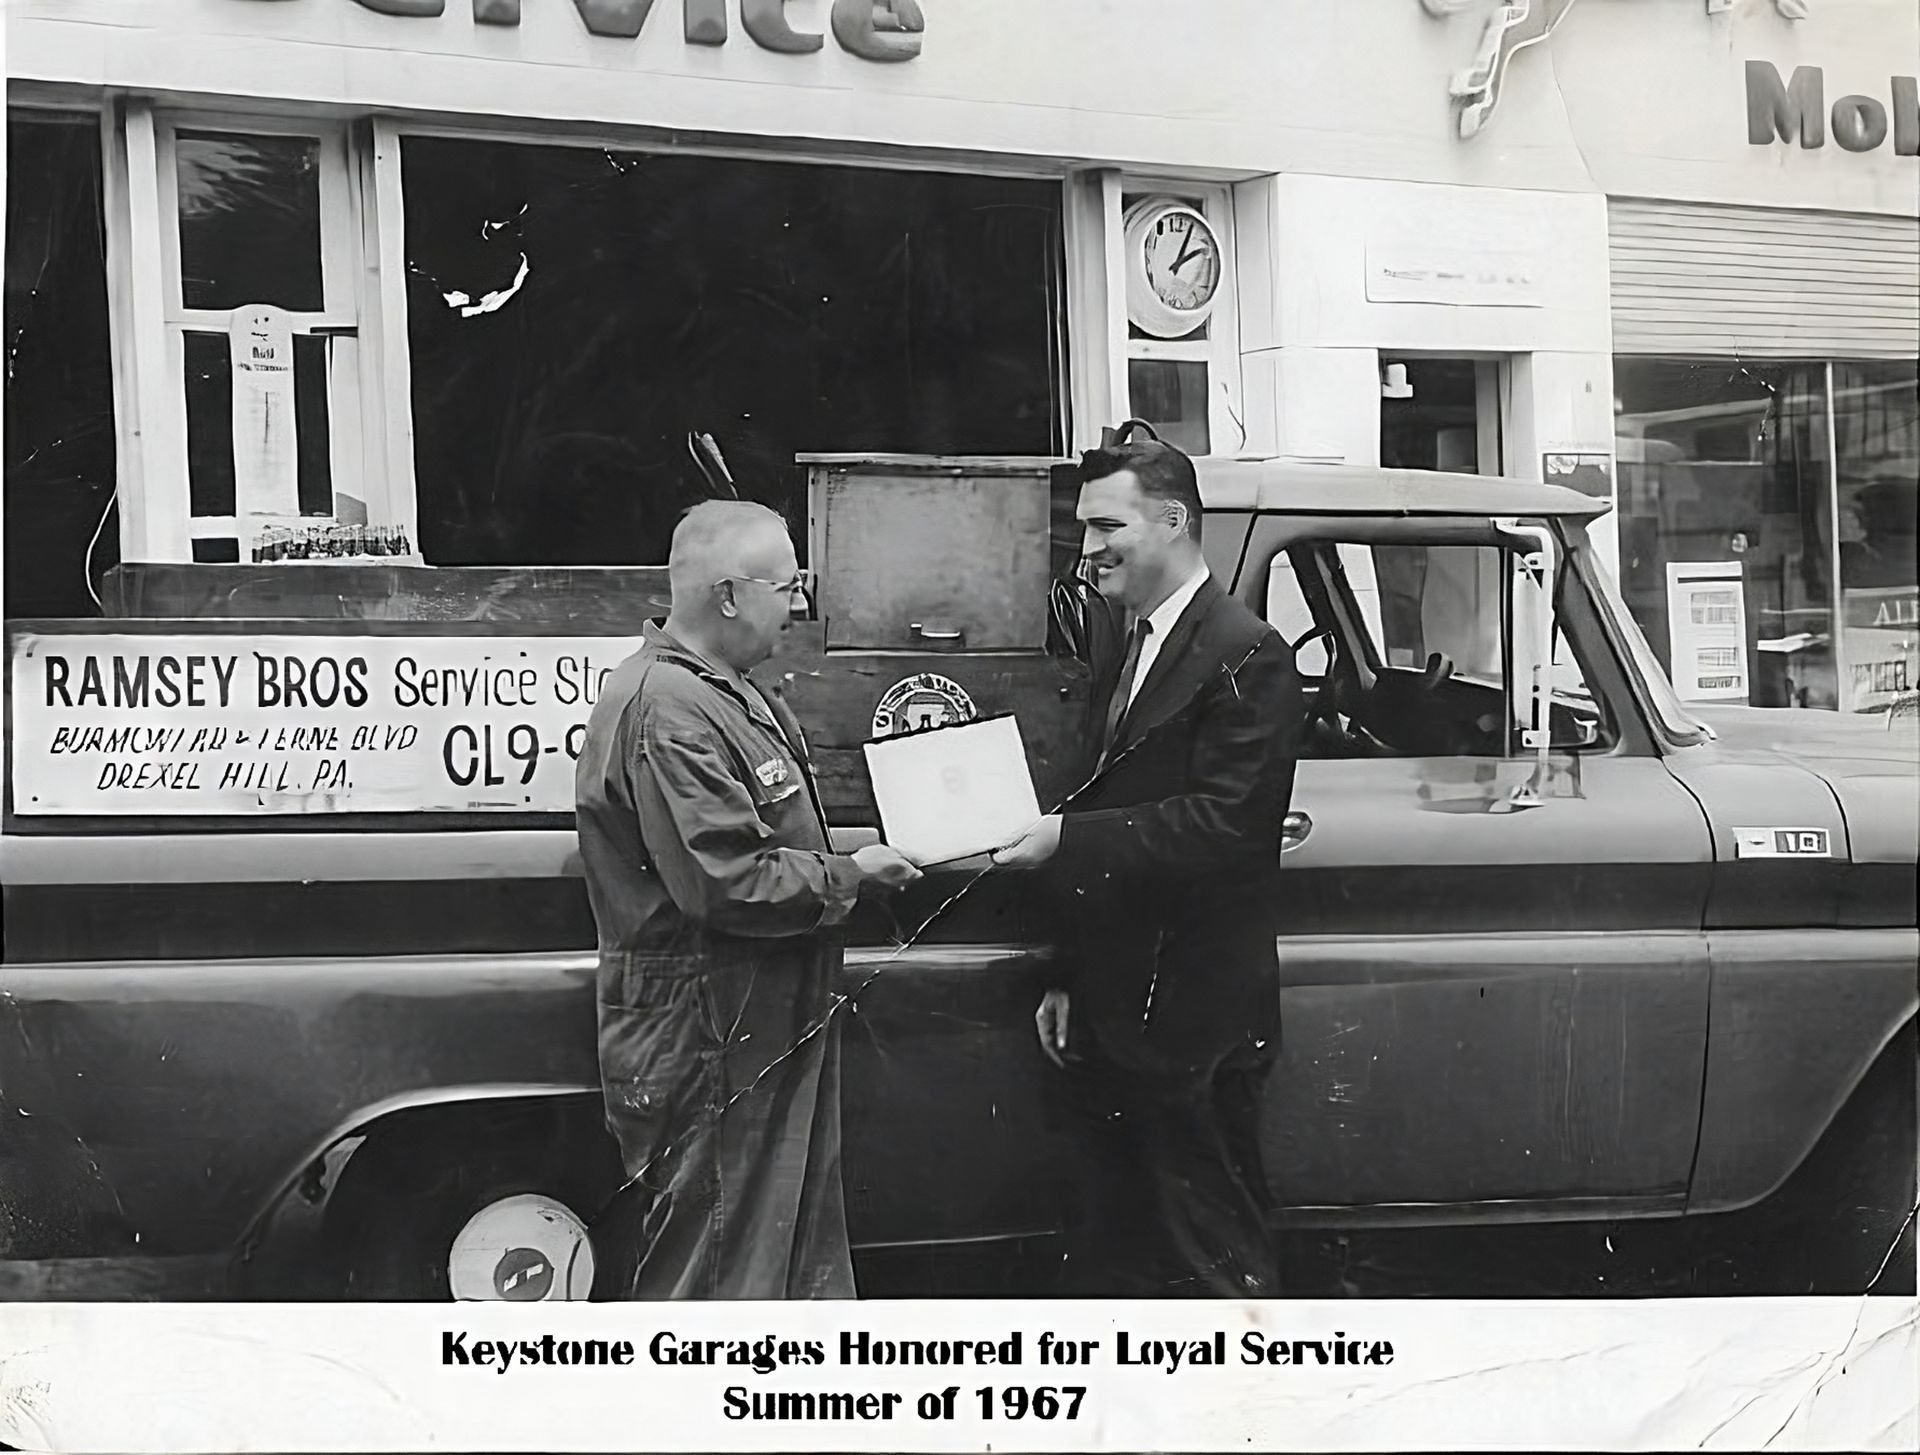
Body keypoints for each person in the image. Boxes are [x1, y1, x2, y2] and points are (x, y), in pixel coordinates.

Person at [575, 498, 921, 1299]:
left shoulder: (723, 691)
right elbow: (726, 881)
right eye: (787, 587)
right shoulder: (671, 708)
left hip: (752, 1020)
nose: (799, 607)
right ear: (729, 595)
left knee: (775, 1263)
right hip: (711, 1032)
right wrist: (851, 874)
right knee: (720, 1276)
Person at [993, 422, 1304, 1297]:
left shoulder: (1248, 651)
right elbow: (1108, 800)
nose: (1087, 550)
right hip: (1114, 1012)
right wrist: (1065, 973)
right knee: (1127, 1260)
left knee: (1214, 1258)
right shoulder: (1127, 643)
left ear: (1173, 521)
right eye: (1084, 529)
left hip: (1195, 1022)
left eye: (1107, 527)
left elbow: (1226, 827)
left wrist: (1065, 839)